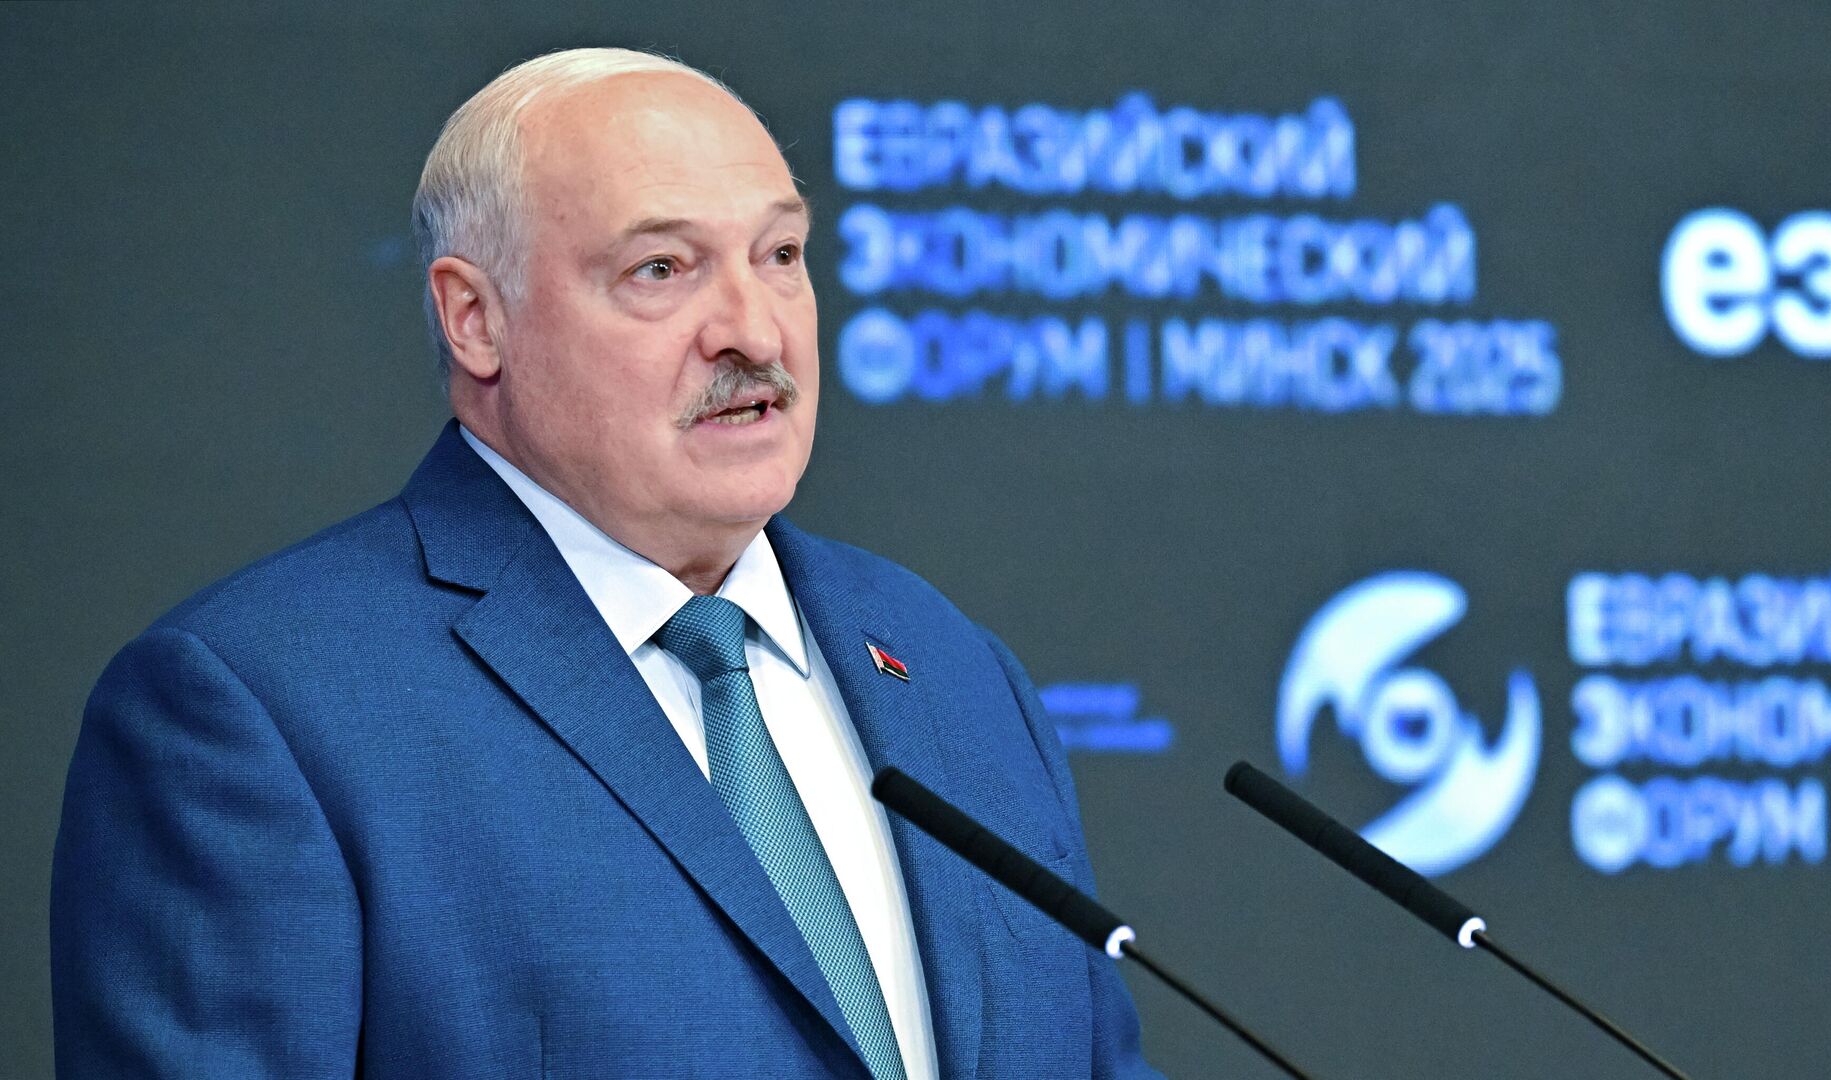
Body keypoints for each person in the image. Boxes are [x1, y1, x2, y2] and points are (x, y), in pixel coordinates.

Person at [50, 47, 1158, 1079]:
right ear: (475, 319)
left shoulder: (950, 667)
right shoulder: (261, 709)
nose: (756, 332)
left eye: (780, 255)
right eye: (661, 268)